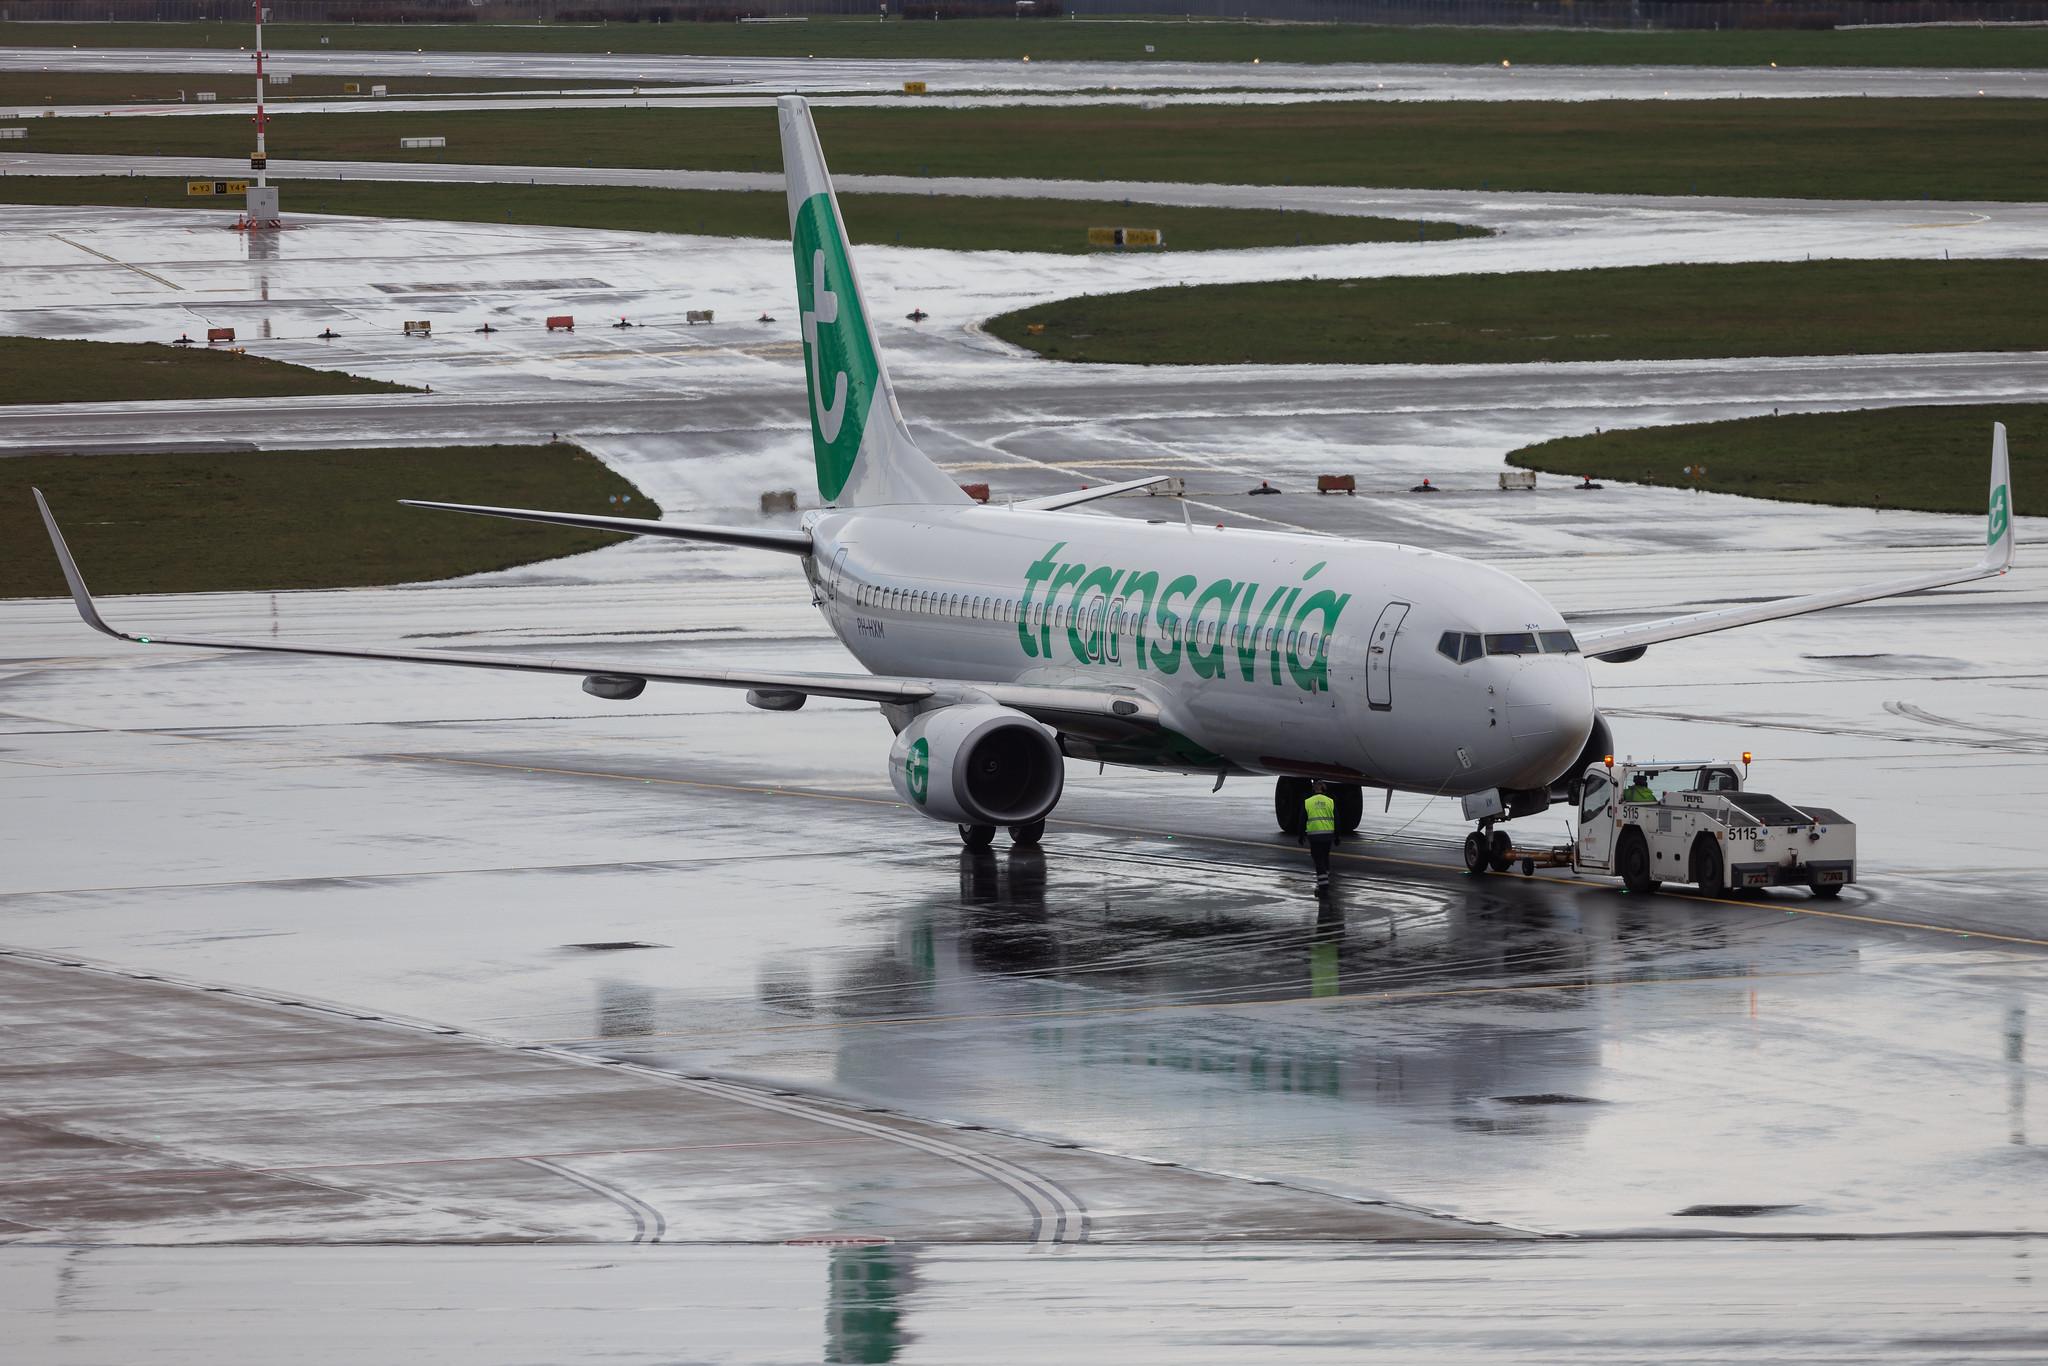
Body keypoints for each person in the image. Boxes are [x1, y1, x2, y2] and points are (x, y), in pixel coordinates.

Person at [1300, 780, 1338, 895]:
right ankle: (1325, 878)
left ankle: (1323, 887)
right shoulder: (1330, 801)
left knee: (1318, 860)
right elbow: (1337, 819)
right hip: (1328, 836)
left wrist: (1301, 835)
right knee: (1325, 858)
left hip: (1315, 836)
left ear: (1313, 788)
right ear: (1324, 788)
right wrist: (1337, 836)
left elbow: (1302, 820)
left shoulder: (1308, 802)